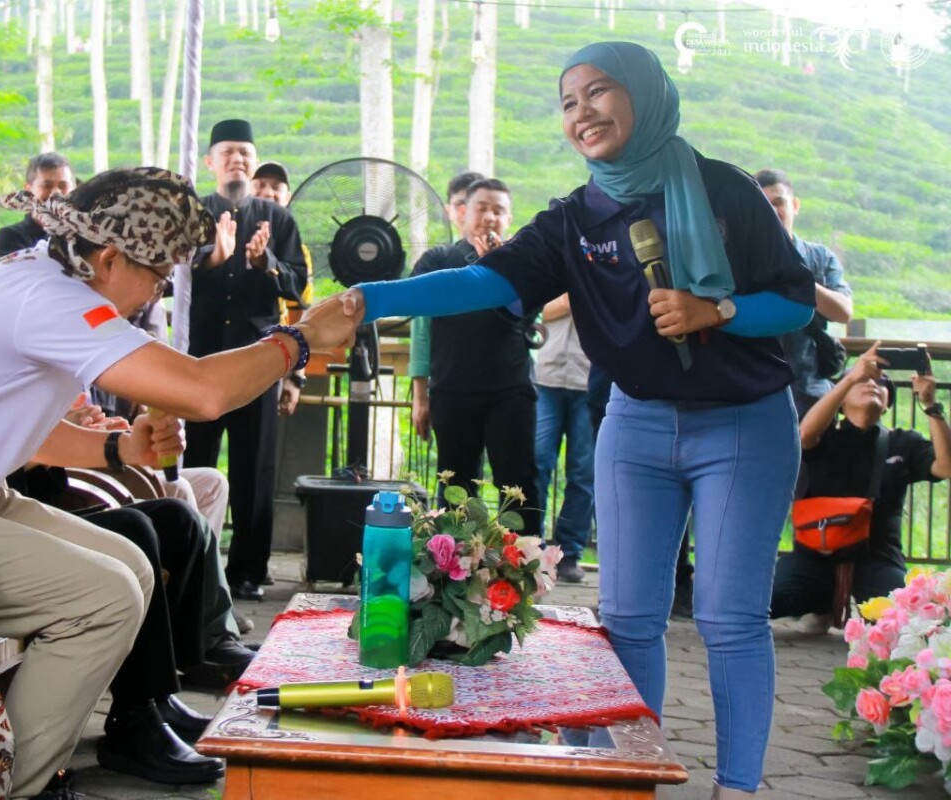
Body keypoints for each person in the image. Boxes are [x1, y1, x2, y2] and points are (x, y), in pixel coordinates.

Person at [0, 166, 354, 799]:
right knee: (104, 598)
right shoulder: (49, 299)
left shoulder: (29, 275)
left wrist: (117, 447)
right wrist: (300, 340)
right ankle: (11, 788)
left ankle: (50, 752)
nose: (158, 292)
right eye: (158, 275)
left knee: (132, 566)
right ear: (108, 258)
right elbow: (202, 392)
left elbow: (10, 423)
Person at [343, 42, 816, 797]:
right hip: (634, 423)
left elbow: (795, 301)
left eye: (598, 92)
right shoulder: (575, 216)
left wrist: (718, 310)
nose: (582, 113)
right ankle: (629, 780)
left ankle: (737, 788)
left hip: (742, 426)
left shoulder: (723, 189)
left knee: (730, 619)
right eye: (568, 102)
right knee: (627, 619)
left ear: (645, 95)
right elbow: (479, 280)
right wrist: (366, 300)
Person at [183, 120, 308, 601]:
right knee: (194, 459)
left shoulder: (279, 220)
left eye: (244, 153)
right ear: (210, 162)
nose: (237, 160)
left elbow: (298, 285)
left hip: (258, 360)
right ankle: (190, 562)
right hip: (200, 359)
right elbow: (170, 273)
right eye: (227, 152)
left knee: (254, 468)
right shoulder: (193, 213)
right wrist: (212, 258)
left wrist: (266, 264)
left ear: (253, 163)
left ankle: (248, 572)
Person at [771, 344, 950, 624]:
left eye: (881, 383)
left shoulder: (903, 442)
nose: (872, 384)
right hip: (814, 554)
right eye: (862, 381)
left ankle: (864, 616)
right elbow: (803, 436)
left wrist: (930, 405)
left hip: (877, 558)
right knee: (768, 602)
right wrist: (852, 376)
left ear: (888, 402)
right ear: (841, 399)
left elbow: (945, 466)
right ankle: (820, 603)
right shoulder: (823, 434)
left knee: (904, 618)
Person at [408, 177, 540, 534]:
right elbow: (420, 322)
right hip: (452, 389)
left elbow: (531, 318)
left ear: (509, 219)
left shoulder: (523, 264)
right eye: (482, 208)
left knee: (518, 480)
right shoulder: (439, 259)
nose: (490, 217)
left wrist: (500, 266)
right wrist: (420, 394)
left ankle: (526, 560)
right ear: (463, 213)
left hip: (510, 390)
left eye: (499, 210)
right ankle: (455, 560)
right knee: (456, 484)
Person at [755, 168, 854, 419]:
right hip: (756, 392)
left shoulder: (820, 257)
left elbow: (844, 312)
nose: (772, 211)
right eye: (764, 205)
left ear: (795, 205)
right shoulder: (741, 261)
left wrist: (797, 276)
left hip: (811, 391)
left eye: (778, 202)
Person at [532, 295, 593, 583]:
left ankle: (569, 553)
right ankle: (532, 548)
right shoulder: (551, 270)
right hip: (546, 374)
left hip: (589, 376)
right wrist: (571, 301)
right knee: (537, 462)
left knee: (583, 472)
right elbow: (533, 311)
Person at [249, 160, 311, 416]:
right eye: (260, 184)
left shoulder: (298, 254)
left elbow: (301, 318)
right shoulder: (226, 235)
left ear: (288, 197)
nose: (268, 192)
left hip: (272, 358)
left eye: (276, 187)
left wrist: (295, 377)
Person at [0, 153, 75, 259]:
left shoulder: (85, 236)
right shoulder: (10, 237)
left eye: (63, 186)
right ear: (28, 191)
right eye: (47, 186)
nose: (56, 193)